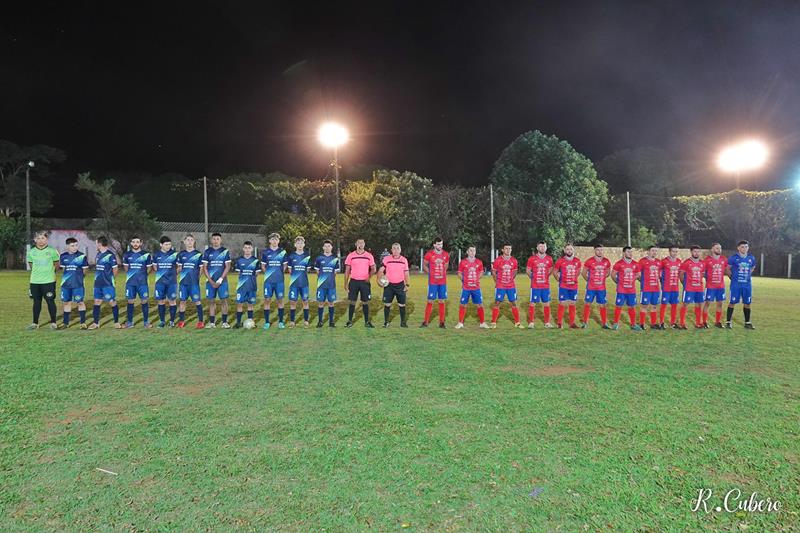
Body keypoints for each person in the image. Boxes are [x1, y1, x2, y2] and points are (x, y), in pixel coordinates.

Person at [26, 231, 60, 330]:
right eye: (39, 238)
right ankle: (35, 323)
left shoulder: (52, 251)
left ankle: (53, 322)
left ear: (46, 239)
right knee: (36, 302)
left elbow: (56, 264)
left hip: (48, 281)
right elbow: (31, 265)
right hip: (35, 281)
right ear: (35, 240)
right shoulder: (31, 252)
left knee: (50, 301)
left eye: (43, 238)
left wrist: (50, 273)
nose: (41, 241)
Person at [88, 236, 121, 329]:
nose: (96, 245)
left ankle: (116, 322)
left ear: (99, 244)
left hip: (107, 284)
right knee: (97, 302)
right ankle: (96, 323)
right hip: (97, 283)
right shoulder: (98, 254)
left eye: (96, 243)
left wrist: (111, 279)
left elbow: (115, 269)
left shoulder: (110, 255)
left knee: (111, 301)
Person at [201, 232, 232, 328]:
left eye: (217, 239)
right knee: (211, 301)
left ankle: (224, 322)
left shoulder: (225, 251)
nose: (215, 241)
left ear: (220, 240)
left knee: (224, 300)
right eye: (214, 239)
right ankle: (212, 323)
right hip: (210, 281)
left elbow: (227, 267)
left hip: (222, 281)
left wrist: (220, 279)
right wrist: (210, 281)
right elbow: (205, 268)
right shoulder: (207, 252)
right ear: (211, 240)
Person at [344, 238, 376, 328]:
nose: (360, 244)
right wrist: (345, 283)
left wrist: (369, 277)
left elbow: (374, 269)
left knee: (365, 302)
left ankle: (367, 322)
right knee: (352, 301)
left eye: (362, 243)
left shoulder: (369, 255)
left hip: (364, 282)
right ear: (356, 244)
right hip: (353, 281)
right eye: (359, 243)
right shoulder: (351, 256)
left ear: (364, 244)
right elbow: (347, 270)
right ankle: (349, 321)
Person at [58, 237, 89, 329]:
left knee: (80, 302)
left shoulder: (82, 256)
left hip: (78, 285)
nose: (75, 247)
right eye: (72, 246)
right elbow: (64, 269)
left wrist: (79, 278)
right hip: (66, 285)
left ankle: (83, 323)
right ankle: (65, 323)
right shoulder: (63, 256)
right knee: (67, 303)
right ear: (67, 246)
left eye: (76, 245)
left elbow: (85, 270)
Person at [725, 240, 757, 329]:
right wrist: (732, 278)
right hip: (736, 285)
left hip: (747, 285)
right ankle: (728, 322)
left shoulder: (751, 258)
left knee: (747, 303)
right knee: (732, 302)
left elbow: (753, 266)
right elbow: (727, 269)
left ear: (748, 248)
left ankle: (747, 322)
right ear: (738, 248)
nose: (744, 248)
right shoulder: (733, 258)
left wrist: (748, 274)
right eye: (742, 247)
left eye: (746, 247)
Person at [122, 236, 153, 328]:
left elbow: (149, 268)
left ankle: (146, 322)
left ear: (141, 243)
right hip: (130, 283)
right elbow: (126, 268)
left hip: (142, 283)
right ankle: (130, 322)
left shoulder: (146, 255)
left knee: (144, 301)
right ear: (131, 243)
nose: (135, 244)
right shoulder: (127, 255)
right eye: (133, 242)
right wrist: (132, 276)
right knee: (130, 301)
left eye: (137, 242)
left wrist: (143, 276)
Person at [455, 245, 488, 329]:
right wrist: (464, 280)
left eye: (474, 251)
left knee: (480, 304)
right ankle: (460, 323)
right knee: (463, 304)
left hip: (476, 287)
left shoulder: (479, 262)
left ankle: (482, 323)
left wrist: (477, 278)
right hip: (466, 288)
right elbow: (459, 273)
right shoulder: (462, 262)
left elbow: (481, 272)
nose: (472, 252)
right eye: (471, 250)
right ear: (467, 252)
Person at [378, 242, 410, 327]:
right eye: (394, 248)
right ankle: (386, 322)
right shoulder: (386, 259)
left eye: (397, 248)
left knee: (402, 304)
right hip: (389, 286)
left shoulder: (404, 260)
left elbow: (406, 273)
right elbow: (381, 270)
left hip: (400, 285)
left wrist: (407, 284)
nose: (395, 250)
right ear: (391, 250)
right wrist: (379, 280)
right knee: (387, 304)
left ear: (400, 250)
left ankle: (403, 323)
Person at [491, 244, 522, 328]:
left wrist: (510, 279)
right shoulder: (497, 260)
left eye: (509, 249)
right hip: (500, 285)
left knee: (514, 303)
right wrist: (496, 281)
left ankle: (517, 322)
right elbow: (493, 272)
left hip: (511, 286)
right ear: (502, 250)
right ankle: (493, 322)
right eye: (506, 249)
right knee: (497, 302)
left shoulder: (514, 260)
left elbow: (515, 271)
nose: (508, 250)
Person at [176, 234, 204, 328]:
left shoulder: (198, 254)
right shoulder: (181, 254)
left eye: (191, 240)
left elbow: (201, 269)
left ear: (194, 241)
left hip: (194, 283)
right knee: (182, 301)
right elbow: (179, 268)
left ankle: (200, 321)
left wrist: (197, 278)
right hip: (183, 283)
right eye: (188, 240)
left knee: (197, 301)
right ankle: (181, 321)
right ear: (184, 242)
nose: (189, 242)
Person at [260, 232, 287, 329]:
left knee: (280, 300)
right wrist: (267, 274)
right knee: (267, 300)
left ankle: (281, 321)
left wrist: (280, 273)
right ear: (270, 241)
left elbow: (284, 265)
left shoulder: (282, 252)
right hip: (268, 281)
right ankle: (267, 322)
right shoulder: (265, 252)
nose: (274, 241)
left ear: (278, 241)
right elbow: (263, 265)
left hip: (279, 281)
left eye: (276, 239)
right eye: (273, 239)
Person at [580, 244, 611, 329]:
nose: (600, 251)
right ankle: (585, 323)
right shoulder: (589, 261)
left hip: (601, 288)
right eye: (598, 250)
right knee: (587, 304)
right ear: (594, 251)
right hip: (591, 288)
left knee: (603, 305)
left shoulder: (606, 261)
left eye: (601, 250)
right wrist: (590, 281)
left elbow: (608, 272)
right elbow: (583, 273)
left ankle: (604, 323)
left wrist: (602, 278)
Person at [421, 238, 450, 328]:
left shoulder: (445, 254)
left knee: (442, 300)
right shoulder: (429, 254)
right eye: (438, 244)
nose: (440, 246)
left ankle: (442, 323)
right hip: (433, 282)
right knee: (430, 300)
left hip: (442, 282)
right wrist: (430, 273)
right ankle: (425, 322)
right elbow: (424, 264)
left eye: (441, 244)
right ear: (434, 245)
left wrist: (442, 273)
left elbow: (446, 265)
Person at [612, 246, 642, 331]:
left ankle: (633, 324)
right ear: (624, 253)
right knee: (618, 306)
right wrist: (619, 282)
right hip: (621, 290)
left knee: (632, 307)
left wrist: (634, 278)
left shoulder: (635, 264)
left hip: (631, 290)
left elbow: (638, 274)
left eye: (631, 252)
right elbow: (613, 275)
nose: (630, 253)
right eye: (628, 252)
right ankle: (615, 323)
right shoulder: (619, 263)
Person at [526, 241, 554, 328]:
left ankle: (547, 323)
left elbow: (550, 270)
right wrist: (534, 278)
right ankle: (531, 322)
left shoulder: (549, 258)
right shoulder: (532, 258)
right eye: (540, 246)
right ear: (537, 248)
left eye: (544, 246)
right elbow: (528, 270)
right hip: (535, 286)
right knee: (533, 303)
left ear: (546, 248)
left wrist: (545, 277)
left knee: (546, 303)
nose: (542, 248)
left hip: (545, 286)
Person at [554, 243, 582, 329]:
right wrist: (559, 280)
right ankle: (559, 323)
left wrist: (573, 279)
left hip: (573, 286)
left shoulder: (577, 261)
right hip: (564, 286)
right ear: (564, 250)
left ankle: (572, 323)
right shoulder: (560, 261)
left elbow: (578, 271)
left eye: (571, 249)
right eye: (567, 249)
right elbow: (555, 272)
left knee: (572, 303)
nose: (569, 251)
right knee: (562, 303)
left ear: (573, 250)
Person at [153, 236, 179, 328]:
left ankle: (172, 321)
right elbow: (155, 268)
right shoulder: (156, 255)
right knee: (161, 301)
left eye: (169, 244)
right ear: (161, 245)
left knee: (172, 301)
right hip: (160, 282)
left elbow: (179, 267)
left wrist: (173, 274)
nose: (168, 246)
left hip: (172, 282)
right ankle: (162, 321)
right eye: (166, 244)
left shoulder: (174, 254)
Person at [286, 236, 311, 327]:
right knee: (293, 302)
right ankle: (292, 321)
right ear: (295, 244)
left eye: (301, 243)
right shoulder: (291, 256)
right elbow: (290, 270)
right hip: (294, 284)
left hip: (304, 283)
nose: (300, 245)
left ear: (304, 244)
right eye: (298, 243)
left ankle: (306, 321)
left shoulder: (307, 256)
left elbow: (307, 270)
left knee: (305, 301)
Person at [313, 240, 339, 327]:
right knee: (321, 303)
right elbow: (317, 271)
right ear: (323, 247)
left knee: (331, 303)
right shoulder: (319, 258)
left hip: (331, 285)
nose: (327, 248)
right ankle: (320, 321)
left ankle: (331, 322)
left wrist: (329, 278)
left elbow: (335, 272)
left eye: (329, 246)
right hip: (321, 285)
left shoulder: (335, 259)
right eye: (326, 246)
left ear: (331, 247)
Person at [679, 245, 706, 329]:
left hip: (699, 288)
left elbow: (703, 274)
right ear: (691, 252)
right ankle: (682, 323)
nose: (696, 253)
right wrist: (684, 283)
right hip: (689, 288)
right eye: (695, 251)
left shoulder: (702, 263)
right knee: (685, 304)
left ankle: (698, 323)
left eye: (698, 251)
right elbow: (681, 274)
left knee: (699, 304)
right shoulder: (686, 262)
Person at [233, 241, 259, 328]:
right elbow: (239, 273)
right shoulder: (239, 260)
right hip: (241, 287)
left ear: (252, 249)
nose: (247, 249)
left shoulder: (255, 260)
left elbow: (257, 274)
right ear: (243, 249)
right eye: (246, 248)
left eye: (249, 248)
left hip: (252, 286)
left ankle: (251, 322)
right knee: (239, 304)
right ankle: (238, 323)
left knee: (250, 304)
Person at [703, 242, 727, 328]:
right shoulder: (707, 260)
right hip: (710, 287)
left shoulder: (723, 259)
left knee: (720, 303)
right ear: (712, 249)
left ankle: (718, 322)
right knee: (707, 303)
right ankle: (704, 322)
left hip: (721, 286)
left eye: (720, 248)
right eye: (717, 248)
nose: (719, 250)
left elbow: (727, 270)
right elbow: (702, 271)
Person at [639, 245, 662, 330]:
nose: (654, 252)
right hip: (646, 288)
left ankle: (653, 324)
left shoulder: (659, 262)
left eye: (656, 251)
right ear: (648, 251)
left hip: (656, 288)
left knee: (654, 306)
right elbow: (638, 274)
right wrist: (643, 282)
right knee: (644, 306)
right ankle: (641, 324)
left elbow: (659, 275)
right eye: (652, 251)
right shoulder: (642, 261)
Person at [659, 246, 682, 329]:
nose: (675, 253)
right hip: (666, 288)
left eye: (676, 252)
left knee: (674, 305)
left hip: (675, 287)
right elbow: (659, 272)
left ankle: (673, 323)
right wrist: (662, 280)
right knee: (664, 305)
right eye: (673, 251)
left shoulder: (679, 261)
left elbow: (680, 273)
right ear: (669, 251)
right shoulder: (664, 261)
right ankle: (661, 322)